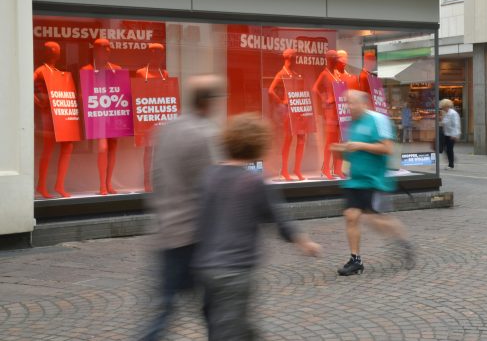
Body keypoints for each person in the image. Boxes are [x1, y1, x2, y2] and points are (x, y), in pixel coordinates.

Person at [192, 113, 321, 339]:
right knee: (230, 330)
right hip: (235, 269)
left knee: (229, 326)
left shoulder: (209, 175)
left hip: (205, 267)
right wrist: (305, 242)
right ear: (258, 145)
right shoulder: (253, 182)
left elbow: (198, 218)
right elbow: (280, 221)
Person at [141, 75, 224, 341]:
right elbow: (212, 188)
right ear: (209, 102)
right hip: (196, 236)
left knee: (165, 307)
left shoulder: (167, 128)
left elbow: (156, 176)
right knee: (215, 309)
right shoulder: (205, 134)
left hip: (167, 231)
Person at [332, 90, 414, 276]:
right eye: (347, 103)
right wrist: (338, 150)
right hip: (355, 181)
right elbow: (349, 153)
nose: (349, 107)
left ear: (364, 104)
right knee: (351, 216)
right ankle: (355, 260)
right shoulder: (350, 125)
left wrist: (359, 145)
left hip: (374, 180)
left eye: (352, 103)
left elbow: (387, 148)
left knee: (375, 219)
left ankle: (402, 240)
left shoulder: (378, 120)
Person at [439, 99, 461, 169]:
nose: (442, 109)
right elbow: (444, 123)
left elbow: (456, 124)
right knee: (445, 149)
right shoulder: (447, 113)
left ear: (446, 106)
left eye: (443, 107)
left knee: (449, 149)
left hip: (452, 135)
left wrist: (455, 135)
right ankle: (451, 160)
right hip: (446, 134)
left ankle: (451, 164)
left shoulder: (453, 113)